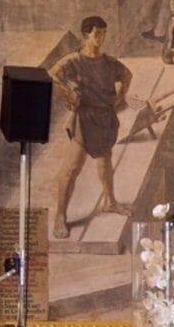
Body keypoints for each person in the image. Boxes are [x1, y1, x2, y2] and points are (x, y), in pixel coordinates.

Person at [49, 15, 132, 231]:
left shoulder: (108, 62)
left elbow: (127, 75)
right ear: (87, 35)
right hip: (84, 119)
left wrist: (120, 97)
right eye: (97, 34)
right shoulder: (74, 61)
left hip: (105, 117)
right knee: (73, 168)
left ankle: (110, 202)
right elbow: (51, 77)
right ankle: (60, 216)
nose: (101, 38)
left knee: (105, 159)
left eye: (104, 34)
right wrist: (67, 95)